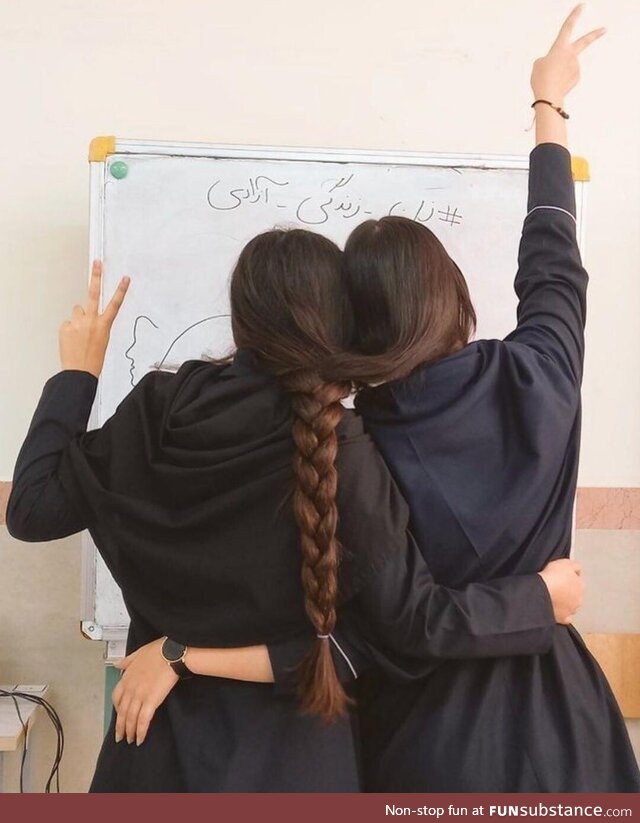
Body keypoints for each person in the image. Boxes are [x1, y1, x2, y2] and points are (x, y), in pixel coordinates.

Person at [112, 6, 640, 792]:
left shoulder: (349, 438)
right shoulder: (542, 370)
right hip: (563, 720)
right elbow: (552, 247)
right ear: (453, 291)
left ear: (357, 326)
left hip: (421, 735)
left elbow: (380, 624)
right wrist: (547, 106)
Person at [6, 231, 582, 790]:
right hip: (294, 767)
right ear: (338, 323)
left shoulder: (157, 408)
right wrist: (537, 598)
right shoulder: (341, 446)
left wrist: (76, 373)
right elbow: (390, 634)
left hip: (150, 749)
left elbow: (31, 510)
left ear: (241, 321)